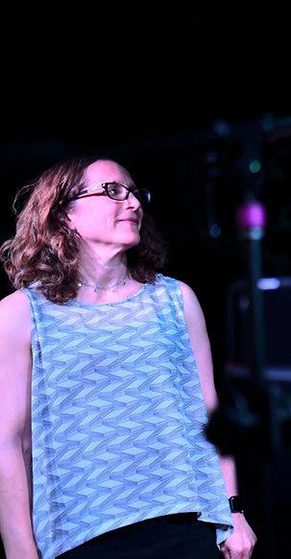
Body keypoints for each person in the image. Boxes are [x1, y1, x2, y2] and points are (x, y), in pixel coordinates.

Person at [0, 157, 257, 559]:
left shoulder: (174, 299)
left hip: (184, 523)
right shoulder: (22, 313)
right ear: (65, 214)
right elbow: (8, 443)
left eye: (136, 194)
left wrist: (233, 510)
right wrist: (20, 552)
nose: (134, 204)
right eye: (113, 192)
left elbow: (208, 414)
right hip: (81, 535)